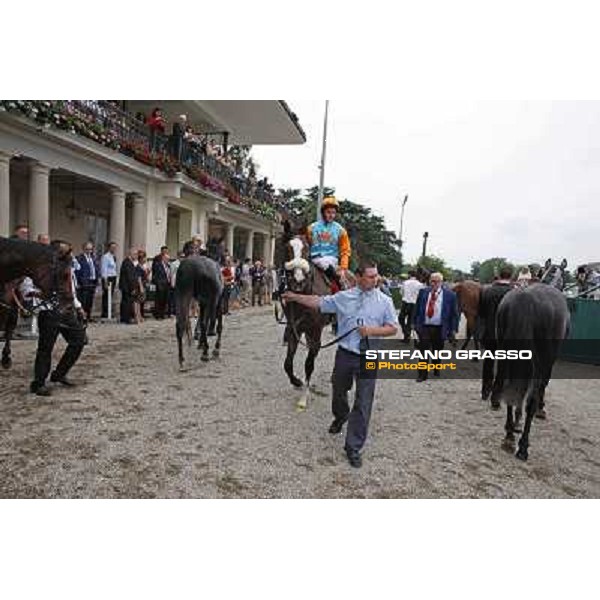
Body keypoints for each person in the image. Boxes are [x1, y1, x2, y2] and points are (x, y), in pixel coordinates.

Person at [283, 261, 398, 469]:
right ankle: (341, 415)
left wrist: (372, 331)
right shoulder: (345, 296)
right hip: (345, 353)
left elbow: (392, 329)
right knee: (338, 390)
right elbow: (318, 302)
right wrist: (294, 297)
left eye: (376, 276)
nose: (376, 279)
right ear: (360, 277)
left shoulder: (385, 301)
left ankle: (353, 446)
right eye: (371, 276)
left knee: (364, 401)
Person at [28, 268, 87, 397]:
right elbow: (27, 288)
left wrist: (78, 306)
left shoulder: (65, 267)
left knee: (79, 340)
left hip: (66, 311)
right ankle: (39, 383)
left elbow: (70, 289)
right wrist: (36, 298)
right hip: (48, 311)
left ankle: (59, 373)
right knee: (45, 348)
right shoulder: (37, 267)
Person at [413, 272, 459, 382]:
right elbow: (417, 308)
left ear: (441, 282)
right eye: (432, 281)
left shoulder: (450, 295)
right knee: (423, 350)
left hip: (440, 327)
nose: (433, 283)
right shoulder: (423, 292)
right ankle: (422, 374)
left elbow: (454, 313)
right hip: (425, 326)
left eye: (436, 281)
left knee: (437, 350)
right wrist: (414, 323)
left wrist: (453, 329)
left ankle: (436, 366)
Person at [478, 266, 514, 400]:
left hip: (490, 332)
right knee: (503, 365)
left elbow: (481, 314)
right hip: (507, 334)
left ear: (499, 275)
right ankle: (497, 393)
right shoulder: (514, 293)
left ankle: (485, 390)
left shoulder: (487, 291)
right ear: (511, 276)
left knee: (488, 362)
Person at [306, 196, 351, 291]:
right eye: (328, 212)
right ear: (323, 213)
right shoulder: (311, 228)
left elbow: (345, 251)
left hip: (331, 260)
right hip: (314, 259)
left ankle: (341, 287)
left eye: (333, 213)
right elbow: (307, 245)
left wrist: (343, 268)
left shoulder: (341, 230)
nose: (331, 215)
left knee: (326, 264)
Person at [76, 242, 99, 322]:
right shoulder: (79, 258)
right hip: (83, 283)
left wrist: (97, 280)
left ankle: (88, 316)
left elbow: (96, 269)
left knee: (90, 301)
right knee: (83, 301)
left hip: (92, 282)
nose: (89, 251)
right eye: (87, 249)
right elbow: (77, 271)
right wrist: (78, 282)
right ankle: (82, 317)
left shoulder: (93, 258)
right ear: (83, 249)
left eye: (90, 249)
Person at [399, 270, 424, 343]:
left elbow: (401, 292)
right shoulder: (420, 284)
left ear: (409, 275)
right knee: (410, 320)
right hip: (414, 304)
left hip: (405, 303)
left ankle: (406, 334)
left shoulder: (405, 282)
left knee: (401, 319)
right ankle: (407, 335)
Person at [119, 247, 138, 324]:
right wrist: (132, 288)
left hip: (127, 286)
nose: (136, 256)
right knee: (127, 303)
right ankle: (126, 318)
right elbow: (129, 277)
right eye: (135, 254)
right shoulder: (127, 262)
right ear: (131, 254)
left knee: (127, 302)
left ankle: (125, 318)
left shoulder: (129, 262)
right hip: (127, 287)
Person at [152, 246, 171, 319]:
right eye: (167, 259)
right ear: (163, 258)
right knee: (159, 300)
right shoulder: (158, 264)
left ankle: (162, 314)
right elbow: (155, 274)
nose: (168, 260)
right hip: (160, 284)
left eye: (168, 259)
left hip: (166, 284)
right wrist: (157, 283)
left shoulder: (168, 266)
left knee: (164, 300)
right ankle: (158, 315)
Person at [100, 242, 118, 319]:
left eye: (115, 247)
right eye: (112, 247)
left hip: (113, 277)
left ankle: (109, 312)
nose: (114, 249)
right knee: (106, 295)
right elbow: (104, 269)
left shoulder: (113, 257)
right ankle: (105, 312)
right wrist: (105, 280)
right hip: (108, 278)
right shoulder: (105, 257)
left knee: (110, 295)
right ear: (109, 248)